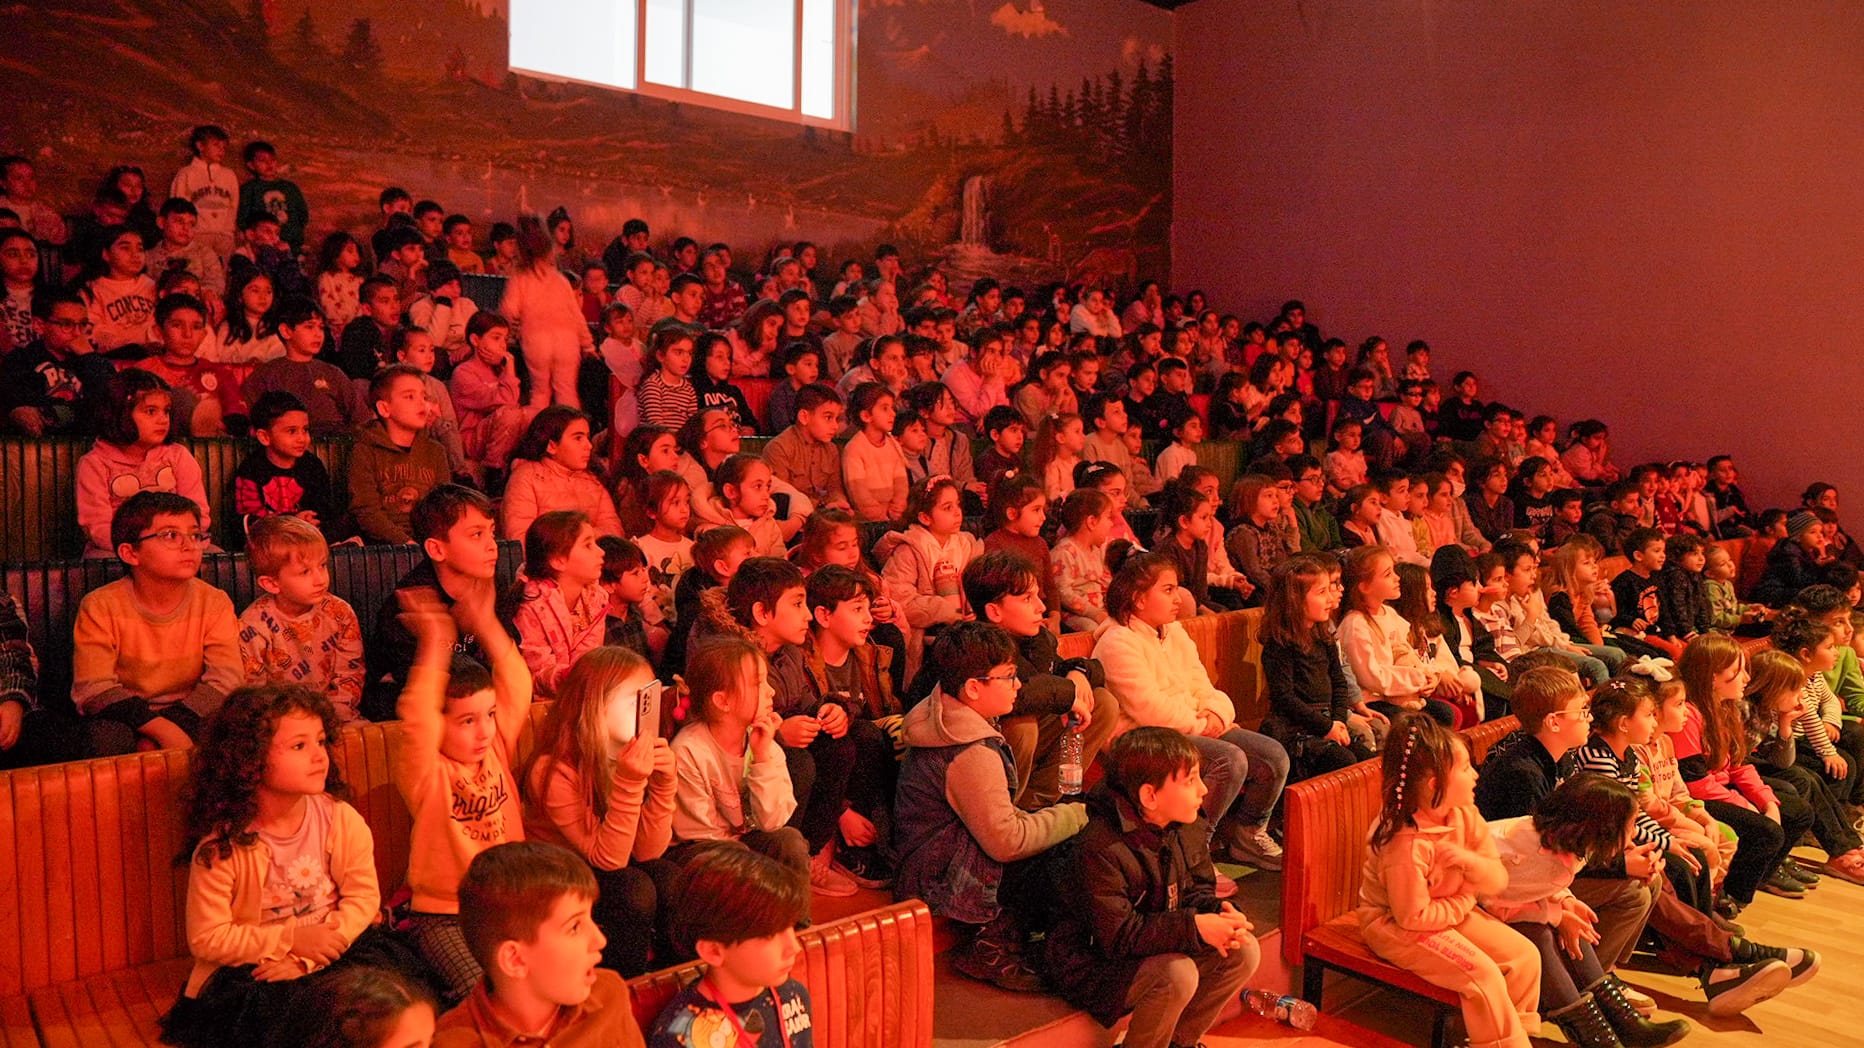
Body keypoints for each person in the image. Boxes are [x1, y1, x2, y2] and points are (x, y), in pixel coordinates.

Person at [158, 686, 392, 1048]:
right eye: (299, 746)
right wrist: (291, 942)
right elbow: (207, 939)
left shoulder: (340, 819)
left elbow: (363, 898)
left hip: (334, 948)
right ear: (250, 760)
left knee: (382, 1004)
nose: (319, 756)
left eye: (320, 741)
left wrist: (309, 959)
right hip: (259, 966)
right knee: (294, 1020)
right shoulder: (224, 847)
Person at [895, 622, 1088, 991]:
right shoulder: (969, 750)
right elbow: (1005, 841)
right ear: (973, 688)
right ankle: (991, 943)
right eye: (1009, 676)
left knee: (1053, 840)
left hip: (932, 862)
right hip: (938, 881)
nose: (1018, 685)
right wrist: (1076, 815)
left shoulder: (946, 714)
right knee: (1063, 855)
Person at [1043, 727, 1259, 1048]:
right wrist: (1195, 928)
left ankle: (1179, 1043)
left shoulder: (1185, 824)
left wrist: (1220, 913)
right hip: (1093, 962)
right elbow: (1118, 937)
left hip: (1152, 941)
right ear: (1150, 796)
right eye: (1190, 780)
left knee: (1243, 950)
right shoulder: (1100, 847)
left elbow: (1197, 890)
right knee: (1177, 975)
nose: (1203, 790)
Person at [1092, 551, 1289, 872]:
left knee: (1273, 757)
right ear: (1139, 599)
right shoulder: (1117, 642)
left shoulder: (1174, 632)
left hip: (1190, 725)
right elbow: (1150, 710)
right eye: (1168, 590)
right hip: (1143, 740)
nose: (1179, 598)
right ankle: (1191, 850)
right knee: (1229, 760)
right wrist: (1202, 725)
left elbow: (1204, 686)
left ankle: (1248, 833)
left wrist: (1216, 714)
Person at [388, 579, 533, 1004]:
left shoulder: (496, 749)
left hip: (507, 908)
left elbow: (517, 682)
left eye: (489, 714)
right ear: (441, 724)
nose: (484, 730)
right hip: (444, 918)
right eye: (467, 721)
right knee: (488, 996)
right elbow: (418, 713)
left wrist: (485, 623)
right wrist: (436, 640)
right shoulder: (427, 772)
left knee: (544, 982)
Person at [1359, 713, 1541, 1048]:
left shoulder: (1464, 814)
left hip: (1445, 911)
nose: (1476, 775)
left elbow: (1496, 879)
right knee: (1483, 975)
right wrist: (1466, 898)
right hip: (1394, 925)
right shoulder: (1405, 842)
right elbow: (1412, 917)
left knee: (1525, 958)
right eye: (1466, 768)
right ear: (1435, 784)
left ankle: (1508, 1040)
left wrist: (1470, 864)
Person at [1479, 775, 1694, 1047]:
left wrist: (1566, 901)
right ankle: (1593, 1034)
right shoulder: (1528, 851)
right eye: (1630, 826)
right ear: (1603, 828)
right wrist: (1557, 916)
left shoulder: (1562, 843)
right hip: (1465, 906)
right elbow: (1497, 902)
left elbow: (1530, 887)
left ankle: (1624, 1024)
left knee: (1573, 925)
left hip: (1501, 901)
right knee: (1540, 934)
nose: (1633, 835)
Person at [517, 647, 676, 977]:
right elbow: (609, 860)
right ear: (595, 707)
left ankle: (668, 981)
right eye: (634, 701)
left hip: (606, 867)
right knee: (633, 890)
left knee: (669, 878)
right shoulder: (552, 770)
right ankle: (619, 985)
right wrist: (630, 783)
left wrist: (664, 785)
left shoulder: (626, 752)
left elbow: (648, 852)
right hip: (559, 878)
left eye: (649, 699)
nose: (645, 713)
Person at [71, 491, 240, 755]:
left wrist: (175, 726)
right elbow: (94, 687)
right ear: (130, 553)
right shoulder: (100, 606)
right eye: (171, 535)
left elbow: (226, 679)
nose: (189, 546)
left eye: (195, 535)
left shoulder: (214, 602)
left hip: (194, 711)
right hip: (127, 716)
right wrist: (159, 729)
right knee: (104, 738)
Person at [432, 841, 646, 1047]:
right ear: (515, 959)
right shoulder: (453, 1041)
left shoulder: (609, 995)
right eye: (574, 927)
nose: (600, 940)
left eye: (591, 918)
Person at [365, 485, 517, 719]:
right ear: (436, 549)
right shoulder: (411, 602)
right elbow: (422, 690)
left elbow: (508, 657)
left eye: (492, 532)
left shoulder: (493, 584)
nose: (492, 545)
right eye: (477, 534)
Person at [648, 846, 815, 1048]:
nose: (794, 947)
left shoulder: (792, 994)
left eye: (791, 926)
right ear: (713, 951)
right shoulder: (681, 1035)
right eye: (769, 935)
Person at [668, 635, 809, 872]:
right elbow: (698, 833)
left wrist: (762, 757)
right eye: (758, 684)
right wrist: (747, 858)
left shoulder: (761, 741)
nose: (771, 691)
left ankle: (792, 899)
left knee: (789, 842)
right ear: (722, 700)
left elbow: (773, 821)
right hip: (700, 851)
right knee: (733, 858)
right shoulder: (689, 750)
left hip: (742, 843)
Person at [1259, 555, 1379, 780]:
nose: (1330, 600)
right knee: (1343, 761)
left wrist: (1339, 721)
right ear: (1295, 600)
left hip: (1328, 720)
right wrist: (1326, 727)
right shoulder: (1279, 645)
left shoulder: (1324, 637)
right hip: (1295, 728)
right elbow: (1285, 698)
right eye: (1322, 592)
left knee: (1368, 761)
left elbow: (1339, 683)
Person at [238, 516, 364, 723]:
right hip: (279, 722)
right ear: (271, 583)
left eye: (322, 565)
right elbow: (253, 690)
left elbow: (349, 674)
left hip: (335, 717)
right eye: (305, 572)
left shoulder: (340, 612)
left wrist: (334, 718)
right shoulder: (253, 624)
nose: (320, 579)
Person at [875, 477, 985, 680]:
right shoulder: (909, 550)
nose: (957, 512)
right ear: (925, 518)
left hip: (964, 632)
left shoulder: (966, 546)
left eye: (958, 505)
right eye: (947, 508)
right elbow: (900, 600)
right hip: (924, 642)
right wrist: (947, 610)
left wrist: (970, 607)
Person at [1338, 546, 1459, 726]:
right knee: (1417, 724)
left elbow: (1404, 653)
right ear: (1364, 586)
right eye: (1388, 574)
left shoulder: (1389, 613)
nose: (1397, 578)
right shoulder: (1356, 623)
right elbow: (1371, 678)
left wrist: (1429, 675)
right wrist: (1416, 678)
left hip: (1396, 694)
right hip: (1372, 700)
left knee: (1445, 713)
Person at [512, 511, 611, 697]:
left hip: (576, 697)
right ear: (558, 560)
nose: (601, 552)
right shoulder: (532, 605)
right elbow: (536, 674)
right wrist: (572, 677)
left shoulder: (596, 599)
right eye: (588, 545)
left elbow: (588, 655)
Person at [499, 216, 593, 409]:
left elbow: (509, 309)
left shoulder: (519, 278)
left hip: (536, 341)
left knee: (540, 392)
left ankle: (538, 426)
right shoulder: (560, 280)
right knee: (567, 392)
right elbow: (576, 315)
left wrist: (509, 334)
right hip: (567, 341)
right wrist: (588, 345)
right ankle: (573, 427)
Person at [350, 365, 449, 545]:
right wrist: (405, 543)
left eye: (424, 397)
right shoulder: (365, 450)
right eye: (409, 396)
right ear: (384, 408)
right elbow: (366, 511)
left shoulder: (435, 451)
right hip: (382, 547)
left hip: (427, 542)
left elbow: (443, 505)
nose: (422, 404)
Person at [242, 296, 362, 438]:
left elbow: (360, 418)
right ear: (286, 331)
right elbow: (253, 420)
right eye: (309, 327)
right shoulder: (266, 374)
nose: (318, 334)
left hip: (335, 443)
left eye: (321, 328)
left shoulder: (332, 373)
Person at [501, 407, 623, 541]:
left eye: (587, 438)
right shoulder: (525, 478)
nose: (588, 445)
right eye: (578, 438)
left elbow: (615, 533)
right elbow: (520, 538)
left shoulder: (593, 481)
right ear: (551, 446)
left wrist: (586, 541)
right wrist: (575, 540)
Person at [450, 312, 531, 480]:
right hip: (471, 438)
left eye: (505, 339)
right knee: (509, 414)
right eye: (496, 338)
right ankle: (493, 473)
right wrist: (510, 364)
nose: (503, 346)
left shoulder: (498, 370)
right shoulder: (463, 373)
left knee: (531, 414)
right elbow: (508, 400)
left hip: (498, 432)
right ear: (475, 340)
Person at [841, 382, 909, 523]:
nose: (893, 414)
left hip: (893, 515)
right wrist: (880, 515)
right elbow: (858, 493)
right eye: (885, 408)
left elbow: (901, 482)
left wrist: (898, 506)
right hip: (869, 521)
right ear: (866, 416)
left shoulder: (892, 444)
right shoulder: (854, 449)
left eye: (892, 408)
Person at [1050, 487, 1116, 630]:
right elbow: (1063, 593)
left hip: (1099, 611)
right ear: (1092, 521)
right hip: (1075, 615)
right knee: (1091, 628)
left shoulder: (1097, 551)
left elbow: (1105, 582)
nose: (1112, 523)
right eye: (1108, 517)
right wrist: (1094, 613)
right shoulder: (1064, 552)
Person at [766, 341, 822, 435]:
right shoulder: (780, 395)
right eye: (808, 364)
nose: (815, 370)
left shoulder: (818, 393)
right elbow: (782, 427)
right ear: (791, 369)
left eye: (816, 365)